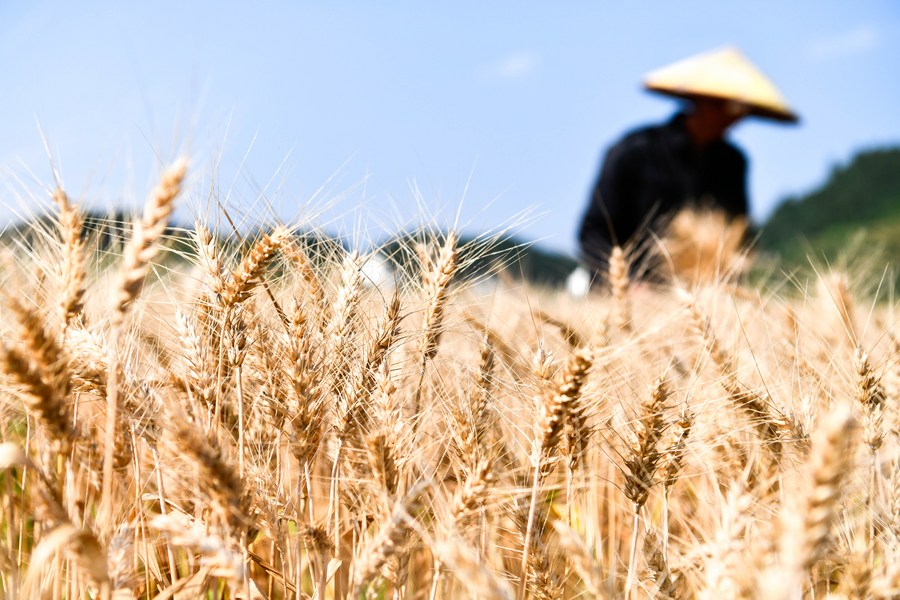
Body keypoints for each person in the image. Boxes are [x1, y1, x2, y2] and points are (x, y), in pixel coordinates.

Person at [577, 46, 798, 281]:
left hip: (704, 296)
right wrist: (627, 285)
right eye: (727, 106)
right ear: (701, 100)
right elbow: (594, 233)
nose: (734, 118)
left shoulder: (732, 163)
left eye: (742, 110)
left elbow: (737, 235)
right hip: (634, 295)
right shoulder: (634, 151)